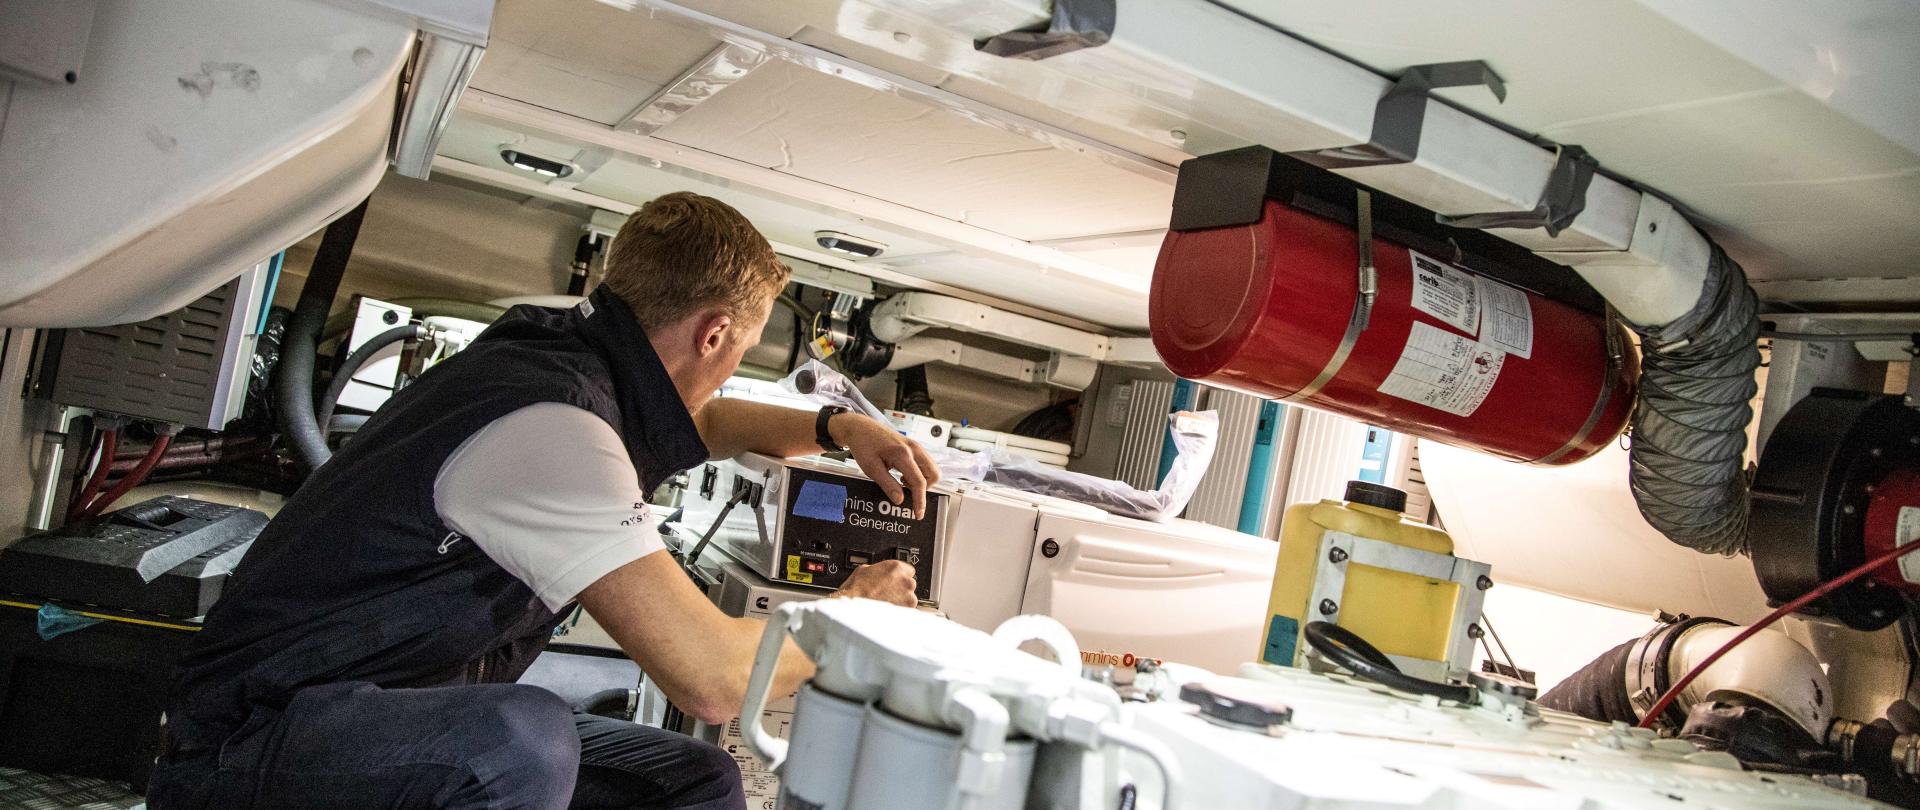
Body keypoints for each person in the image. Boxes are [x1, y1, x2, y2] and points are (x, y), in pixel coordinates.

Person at [148, 192, 939, 809]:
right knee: (519, 739)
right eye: (735, 353)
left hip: (363, 713)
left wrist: (835, 426)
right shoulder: (555, 430)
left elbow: (704, 418)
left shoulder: (565, 351)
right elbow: (710, 679)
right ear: (714, 334)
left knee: (691, 781)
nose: (727, 374)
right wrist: (856, 616)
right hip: (248, 748)